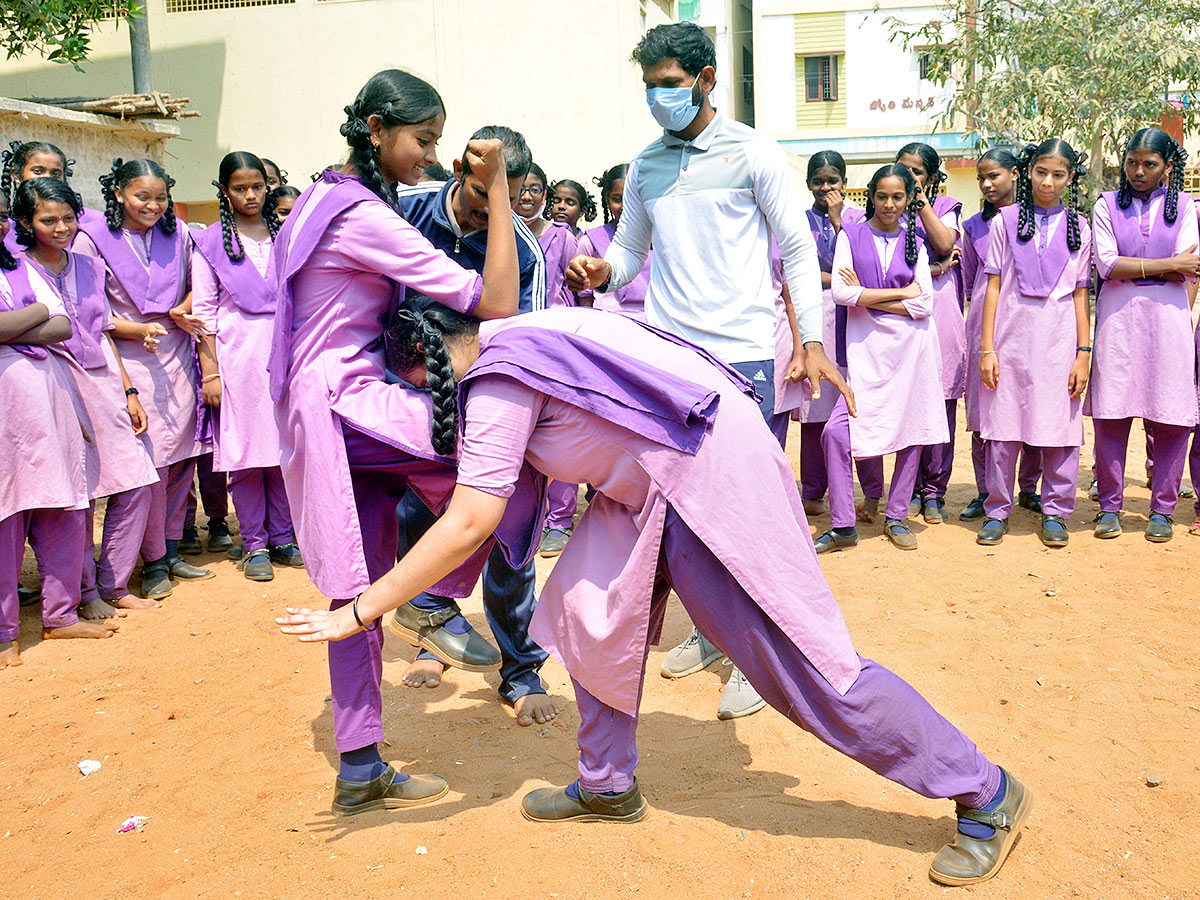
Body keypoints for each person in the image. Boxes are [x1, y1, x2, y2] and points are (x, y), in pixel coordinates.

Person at [279, 301, 1032, 889]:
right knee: (581, 607)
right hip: (649, 479)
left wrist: (360, 609)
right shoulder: (527, 329)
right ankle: (607, 784)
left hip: (702, 472)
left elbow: (471, 516)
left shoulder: (497, 379)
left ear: (424, 367)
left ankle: (984, 789)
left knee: (800, 665)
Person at [565, 23, 845, 721]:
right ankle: (718, 638)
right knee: (680, 512)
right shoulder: (647, 166)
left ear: (706, 78)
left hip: (743, 357)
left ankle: (759, 657)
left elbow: (797, 251)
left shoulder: (754, 153)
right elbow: (630, 250)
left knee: (749, 516)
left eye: (670, 82)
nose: (659, 96)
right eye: (650, 86)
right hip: (669, 361)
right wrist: (606, 270)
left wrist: (809, 338)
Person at [266, 68, 519, 814]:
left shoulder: (323, 195)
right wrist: (500, 189)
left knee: (357, 591)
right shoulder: (363, 216)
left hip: (322, 415)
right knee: (496, 471)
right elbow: (495, 301)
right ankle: (433, 602)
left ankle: (359, 766)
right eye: (422, 140)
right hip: (349, 408)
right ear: (376, 129)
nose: (429, 157)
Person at [389, 126, 553, 723]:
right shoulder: (403, 214)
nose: (491, 219)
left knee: (509, 536)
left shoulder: (524, 254)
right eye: (485, 202)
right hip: (410, 403)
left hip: (489, 406)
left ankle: (521, 669)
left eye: (505, 205)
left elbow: (524, 345)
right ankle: (433, 629)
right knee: (420, 515)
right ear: (459, 171)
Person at [13, 177, 163, 614]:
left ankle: (114, 583)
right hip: (55, 380)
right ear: (26, 222)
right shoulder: (15, 268)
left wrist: (128, 389)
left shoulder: (89, 266)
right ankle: (86, 594)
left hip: (102, 378)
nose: (61, 228)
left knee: (136, 479)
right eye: (48, 220)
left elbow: (102, 332)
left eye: (68, 218)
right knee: (79, 492)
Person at [74, 158, 213, 588]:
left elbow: (203, 283)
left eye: (160, 197)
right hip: (127, 356)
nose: (152, 206)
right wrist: (134, 327)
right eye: (141, 197)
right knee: (146, 465)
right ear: (118, 194)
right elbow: (84, 306)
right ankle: (150, 562)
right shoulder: (91, 239)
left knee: (179, 461)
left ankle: (172, 552)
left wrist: (182, 308)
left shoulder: (181, 233)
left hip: (175, 350)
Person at [1, 200, 120, 667]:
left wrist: (18, 324)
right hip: (6, 416)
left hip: (45, 405)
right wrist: (32, 317)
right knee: (6, 518)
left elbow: (63, 325)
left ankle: (61, 616)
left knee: (62, 509)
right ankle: (4, 633)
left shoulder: (20, 268)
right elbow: (42, 319)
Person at [976, 139, 1093, 547]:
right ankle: (997, 510)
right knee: (1004, 428)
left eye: (1058, 174)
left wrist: (1083, 353)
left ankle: (1057, 512)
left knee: (1060, 427)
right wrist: (987, 348)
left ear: (1070, 178)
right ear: (1028, 172)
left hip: (1060, 342)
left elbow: (1080, 295)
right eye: (1041, 171)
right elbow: (993, 286)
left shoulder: (1081, 226)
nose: (1048, 181)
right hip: (1010, 340)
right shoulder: (1004, 222)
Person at [1085, 128, 1198, 542]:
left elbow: (1191, 264)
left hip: (1168, 322)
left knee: (1170, 418)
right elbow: (1107, 264)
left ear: (1168, 167)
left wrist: (1154, 266)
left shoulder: (1186, 207)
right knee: (1112, 416)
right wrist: (1165, 266)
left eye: (1149, 164)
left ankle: (1163, 510)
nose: (1138, 171)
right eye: (1132, 162)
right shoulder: (1106, 205)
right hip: (1118, 320)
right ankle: (1110, 507)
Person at [193, 152, 302, 581]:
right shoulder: (209, 242)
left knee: (281, 450)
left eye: (257, 186)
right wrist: (211, 372)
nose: (251, 195)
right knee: (245, 454)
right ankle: (253, 542)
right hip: (236, 357)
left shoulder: (286, 234)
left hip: (284, 352)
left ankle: (283, 536)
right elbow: (203, 312)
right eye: (240, 188)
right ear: (225, 191)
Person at [828, 164, 948, 551]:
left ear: (910, 198)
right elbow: (841, 295)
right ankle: (843, 524)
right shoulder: (851, 235)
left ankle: (897, 517)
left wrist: (867, 296)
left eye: (899, 197)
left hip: (911, 351)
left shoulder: (917, 241)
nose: (890, 204)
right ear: (870, 197)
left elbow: (926, 304)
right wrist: (897, 296)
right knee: (836, 433)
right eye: (882, 196)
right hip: (865, 352)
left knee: (909, 433)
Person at [798, 150, 884, 545]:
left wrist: (837, 223)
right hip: (816, 317)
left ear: (844, 182)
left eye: (833, 181)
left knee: (854, 407)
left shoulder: (860, 221)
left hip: (854, 320)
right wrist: (837, 279)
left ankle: (871, 493)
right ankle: (814, 492)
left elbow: (865, 273)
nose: (826, 188)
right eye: (819, 180)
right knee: (815, 407)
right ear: (809, 183)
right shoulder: (799, 222)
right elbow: (795, 269)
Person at [960, 149, 1043, 521]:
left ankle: (1028, 487)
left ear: (1015, 174)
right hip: (985, 318)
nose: (987, 184)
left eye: (993, 175)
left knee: (1031, 400)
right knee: (985, 408)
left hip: (1028, 321)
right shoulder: (974, 225)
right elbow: (972, 280)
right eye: (981, 178)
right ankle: (986, 490)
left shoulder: (1036, 219)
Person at [895, 142, 966, 525]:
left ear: (933, 178)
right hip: (902, 314)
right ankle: (906, 488)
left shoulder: (945, 207)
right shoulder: (886, 208)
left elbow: (944, 243)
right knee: (907, 401)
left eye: (916, 172)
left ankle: (935, 491)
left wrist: (919, 200)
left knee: (940, 403)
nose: (907, 177)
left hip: (940, 314)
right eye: (901, 168)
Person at [573, 163, 649, 318]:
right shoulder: (590, 241)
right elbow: (585, 297)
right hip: (608, 325)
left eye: (633, 198)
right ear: (607, 199)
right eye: (617, 199)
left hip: (655, 325)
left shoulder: (659, 238)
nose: (625, 206)